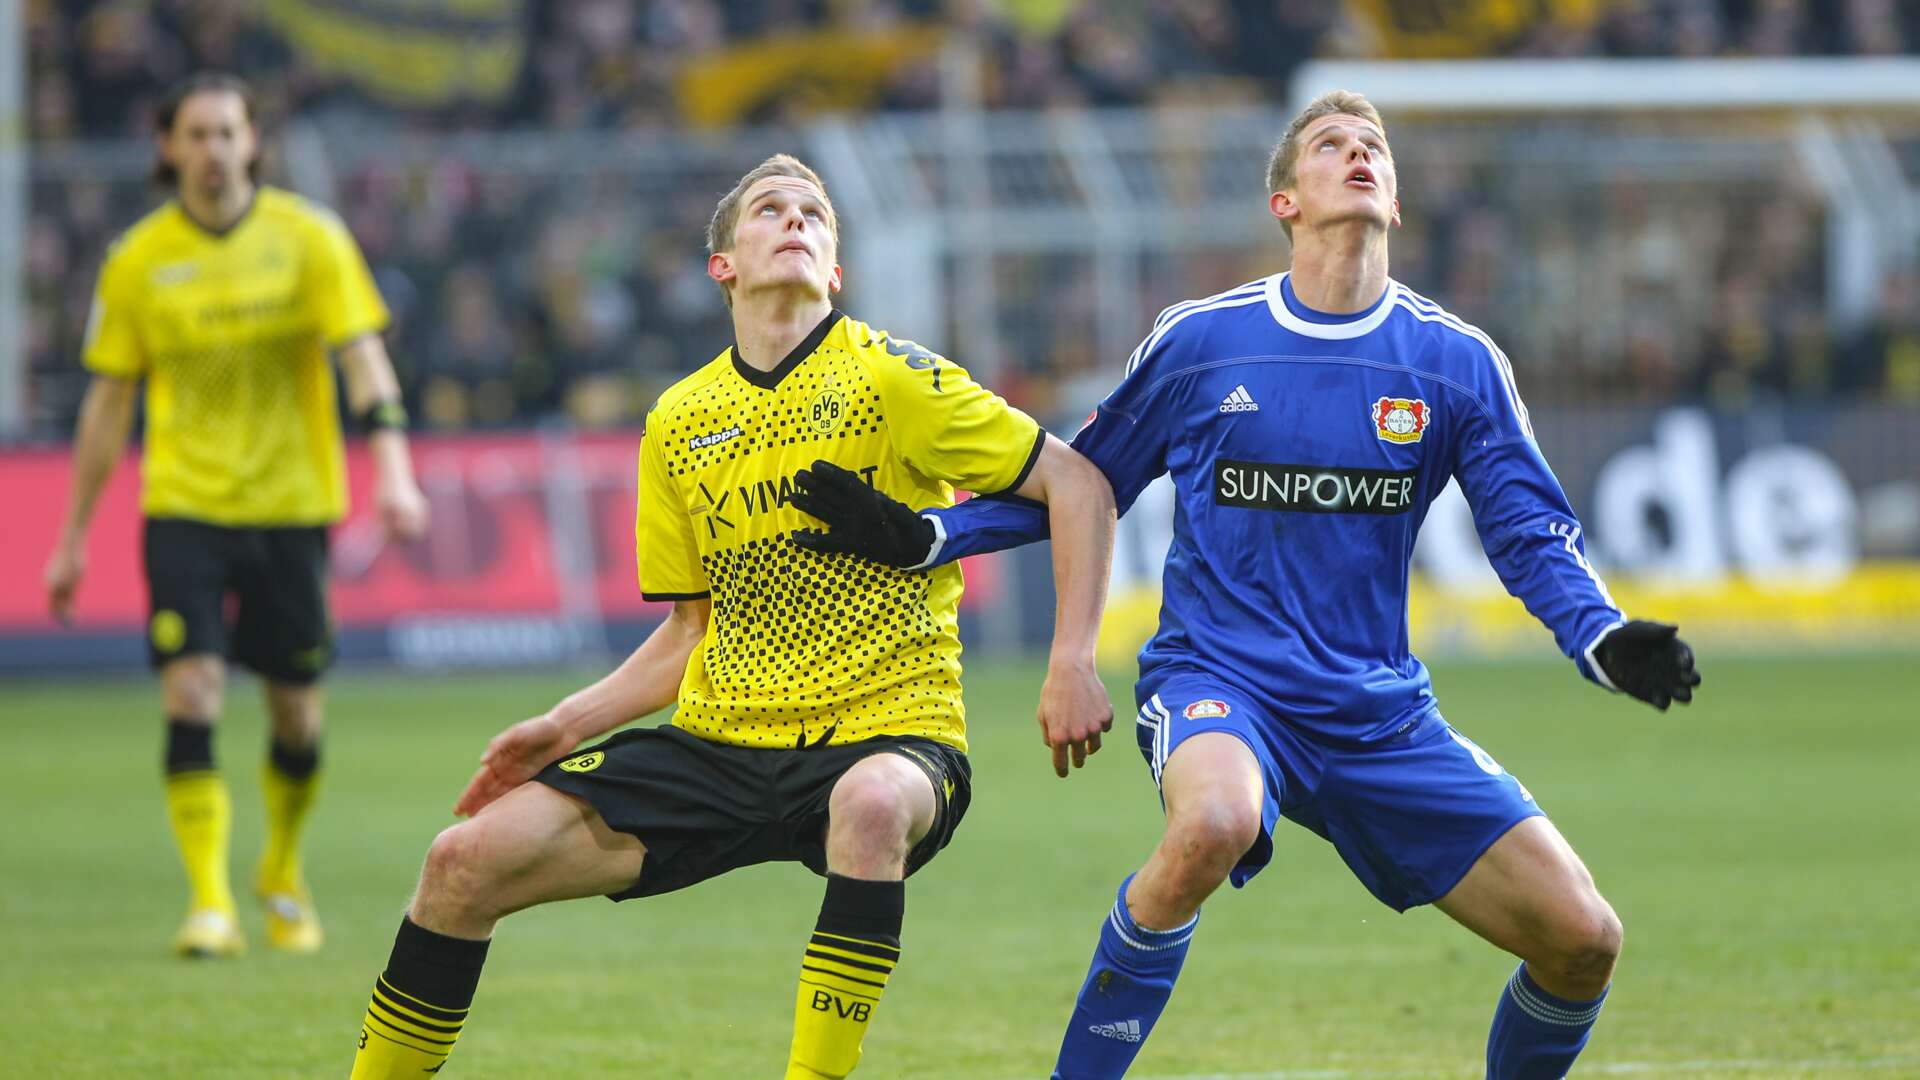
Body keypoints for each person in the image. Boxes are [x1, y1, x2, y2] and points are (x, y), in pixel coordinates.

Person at [786, 91, 1702, 1078]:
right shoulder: (1203, 341)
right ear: (1286, 202)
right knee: (1214, 822)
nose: (1358, 158)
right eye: (1330, 147)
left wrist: (1601, 638)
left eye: (1373, 150)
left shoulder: (1455, 364)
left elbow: (1528, 530)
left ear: (1393, 200)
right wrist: (931, 535)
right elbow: (1089, 479)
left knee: (1584, 941)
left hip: (1376, 714)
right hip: (1220, 681)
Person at [343, 154, 1117, 1079]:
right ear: (723, 264)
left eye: (815, 216)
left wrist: (1071, 657)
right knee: (458, 863)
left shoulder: (896, 380)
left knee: (868, 806)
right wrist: (562, 724)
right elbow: (686, 632)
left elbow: (1078, 483)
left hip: (889, 732)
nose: (796, 221)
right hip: (718, 744)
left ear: (834, 269)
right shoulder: (679, 419)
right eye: (769, 211)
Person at [43, 72, 428, 959]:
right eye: (197, 134)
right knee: (194, 689)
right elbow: (107, 407)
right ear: (167, 148)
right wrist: (69, 540)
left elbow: (363, 360)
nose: (214, 150)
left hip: (293, 507)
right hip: (184, 505)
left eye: (228, 133)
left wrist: (395, 470)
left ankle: (280, 873)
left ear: (253, 143)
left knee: (297, 716)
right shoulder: (136, 262)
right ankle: (210, 900)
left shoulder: (309, 239)